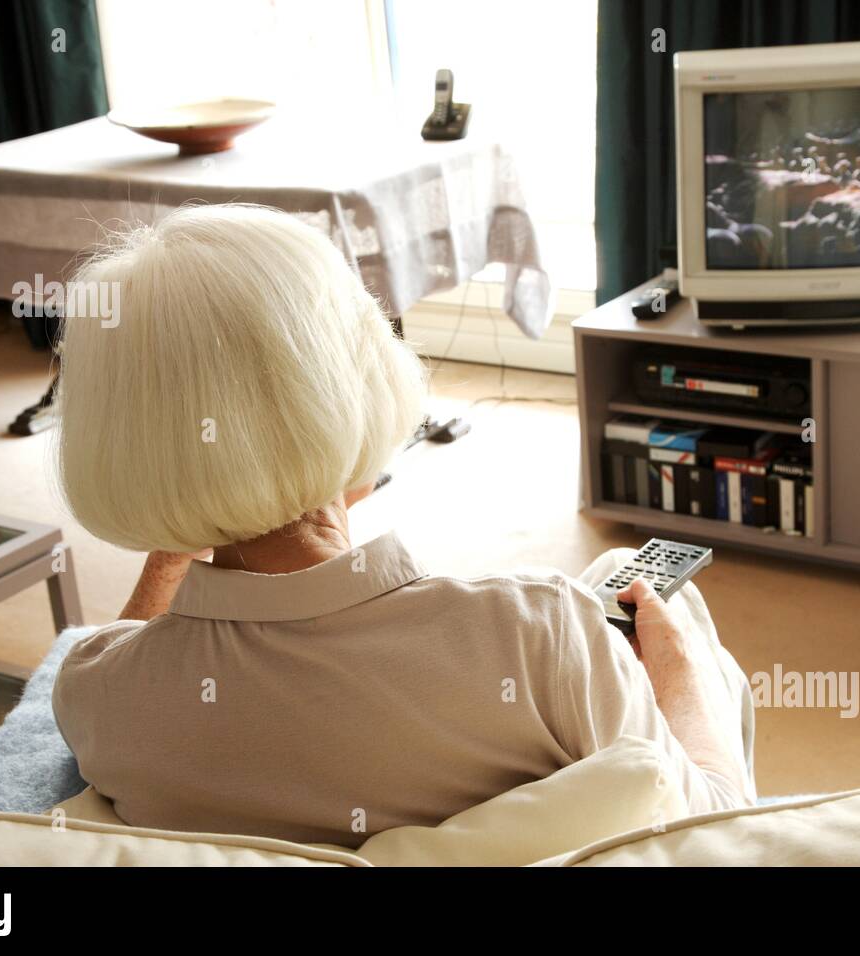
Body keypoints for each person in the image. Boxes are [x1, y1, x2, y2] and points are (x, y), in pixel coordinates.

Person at [52, 203, 755, 848]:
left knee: (615, 576)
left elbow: (116, 647)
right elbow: (712, 835)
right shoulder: (538, 633)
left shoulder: (99, 698)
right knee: (671, 612)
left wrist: (196, 493)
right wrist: (679, 673)